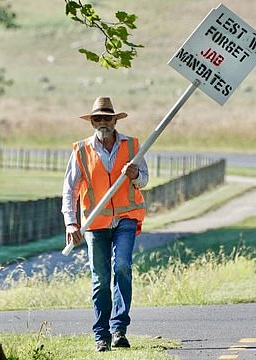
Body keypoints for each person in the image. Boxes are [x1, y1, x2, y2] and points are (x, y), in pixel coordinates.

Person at [61, 96, 148, 352]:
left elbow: (144, 179)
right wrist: (71, 223)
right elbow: (70, 190)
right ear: (92, 122)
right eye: (97, 118)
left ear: (114, 120)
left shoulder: (132, 146)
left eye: (106, 118)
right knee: (100, 278)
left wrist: (135, 176)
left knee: (122, 266)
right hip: (94, 222)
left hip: (126, 218)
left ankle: (119, 328)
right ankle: (101, 335)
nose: (102, 122)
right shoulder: (81, 150)